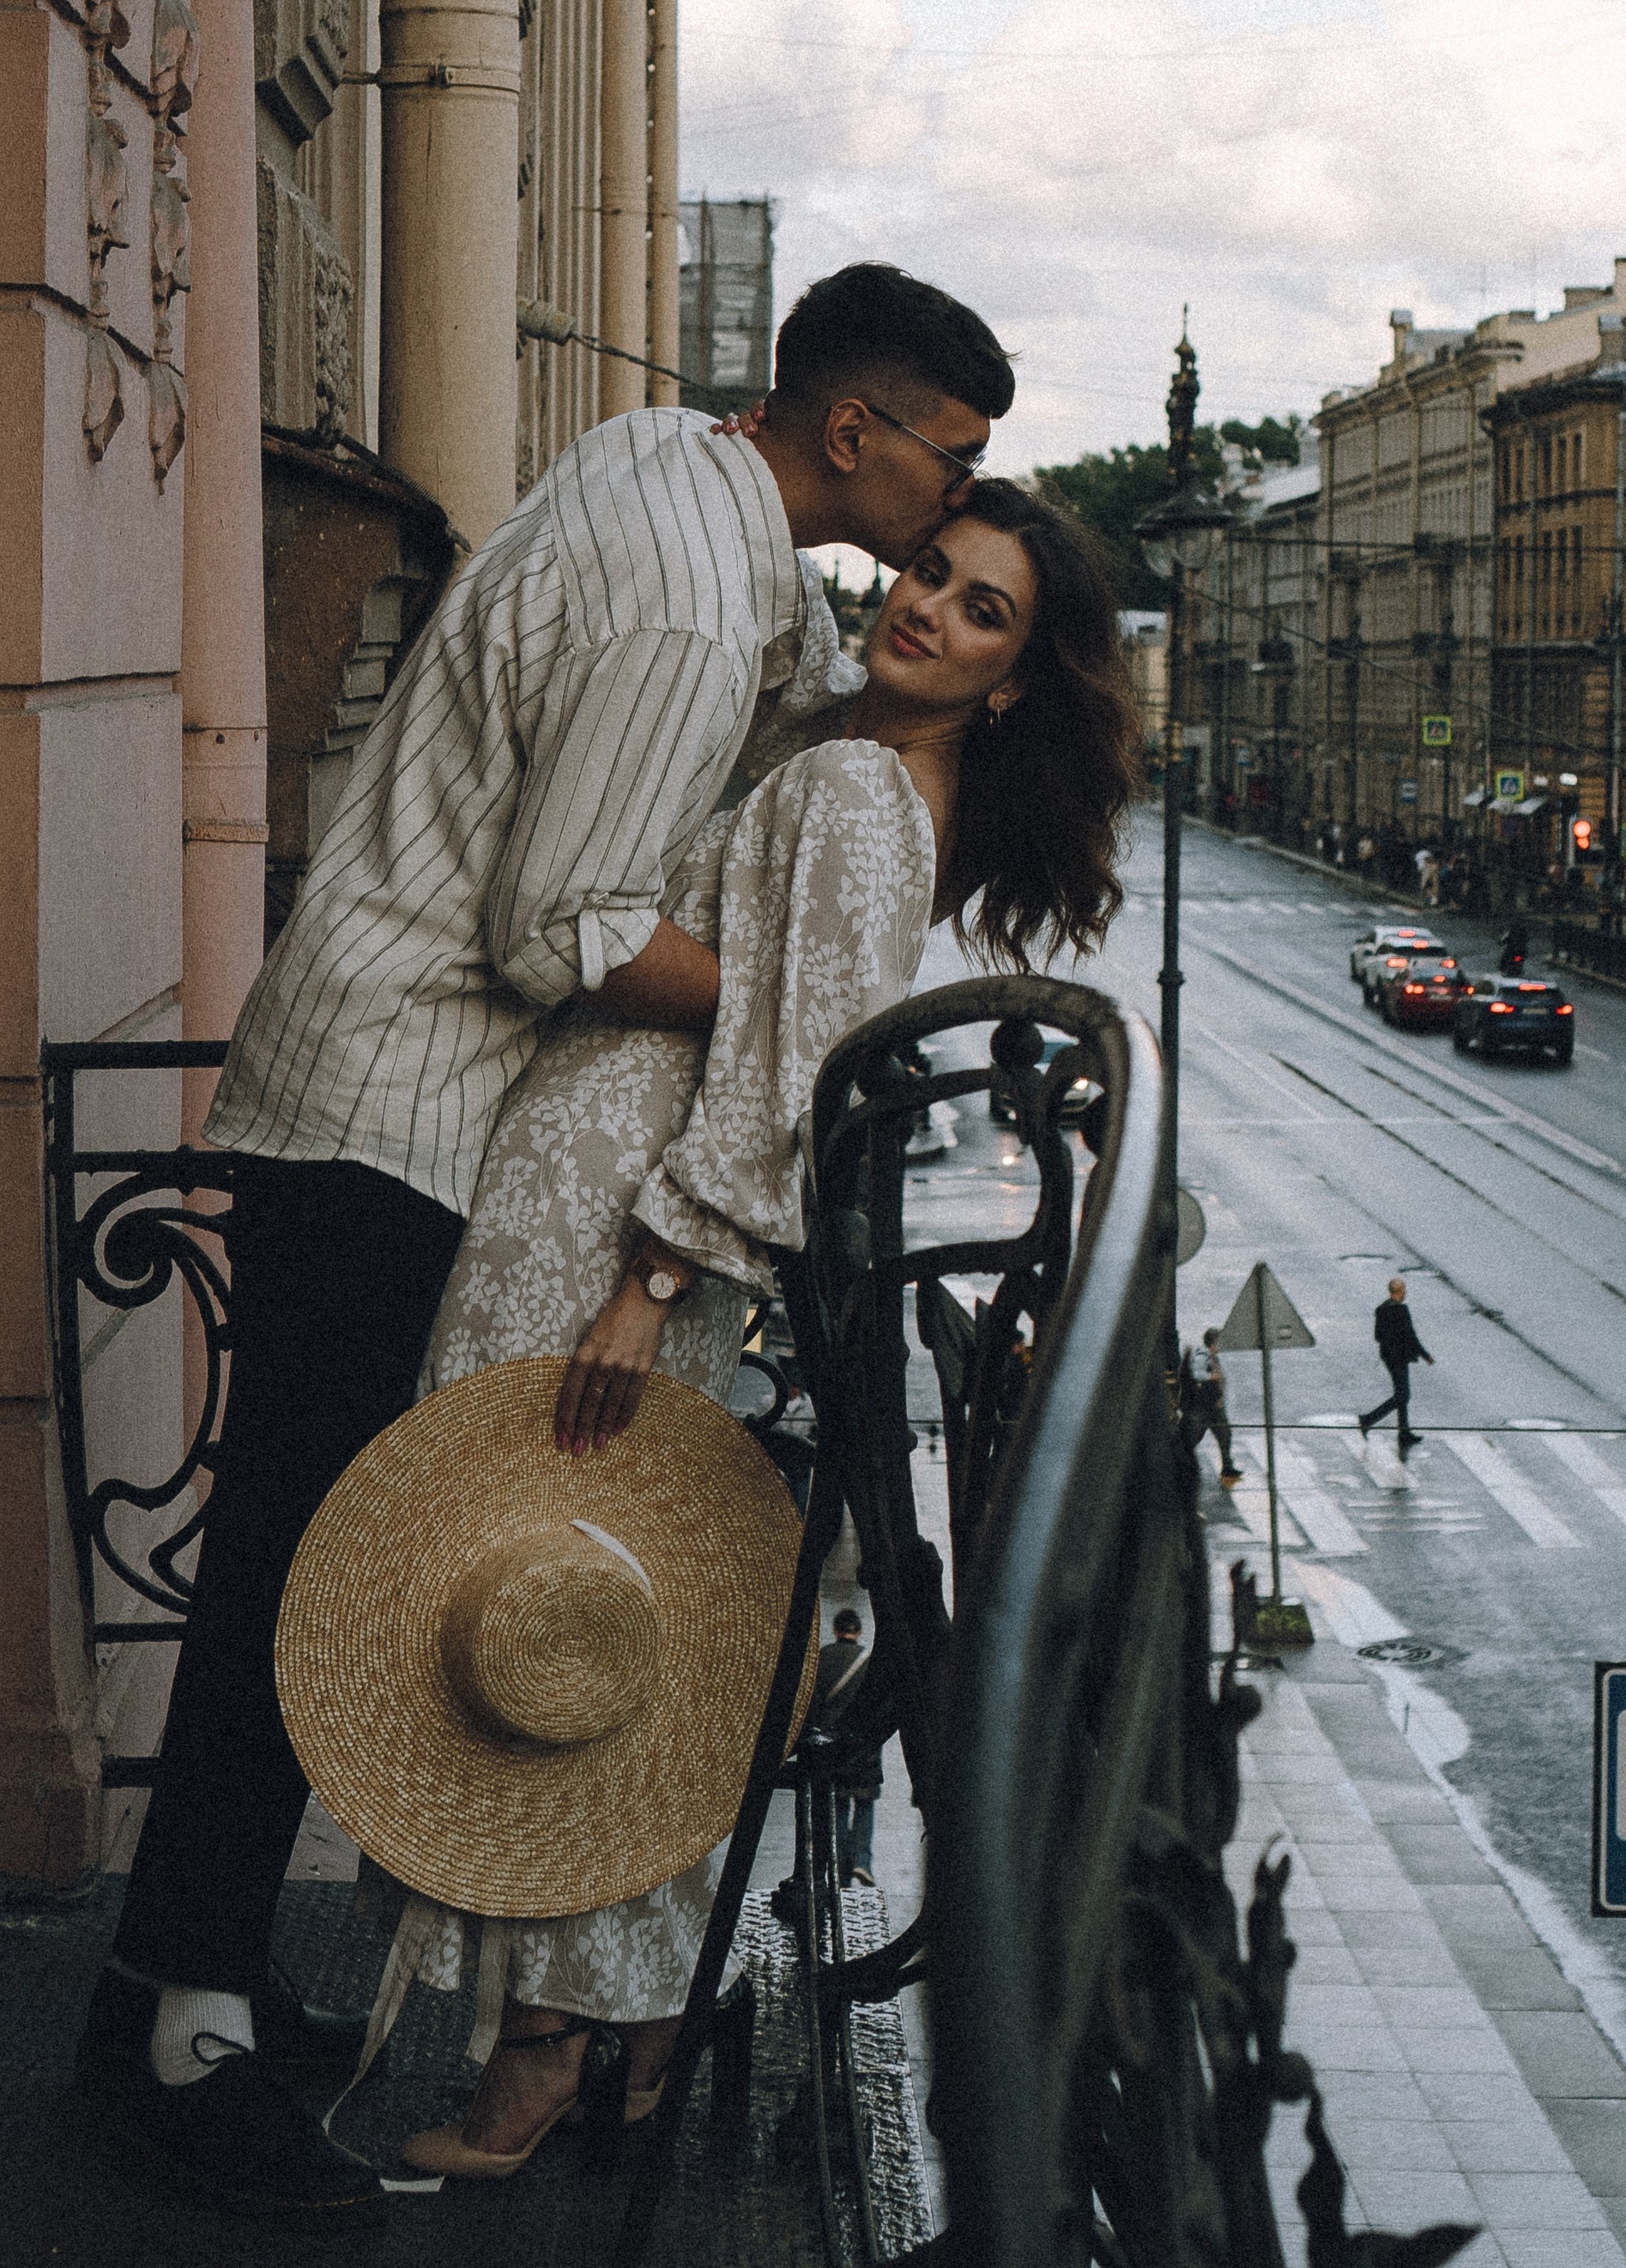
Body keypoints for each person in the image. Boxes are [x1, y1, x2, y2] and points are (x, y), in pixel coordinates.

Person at [76, 263, 1017, 2226]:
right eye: (949, 454)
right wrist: (803, 996)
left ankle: (186, 1985)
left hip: (364, 1088)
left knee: (295, 1553)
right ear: (854, 431)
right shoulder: (693, 593)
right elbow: (565, 931)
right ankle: (180, 2036)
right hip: (395, 1115)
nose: (955, 494)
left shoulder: (674, 470)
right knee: (300, 1574)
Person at [379, 480, 1141, 2176]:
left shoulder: (866, 795)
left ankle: (552, 2041)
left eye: (981, 609)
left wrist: (652, 1282)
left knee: (543, 1613)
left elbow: (801, 1068)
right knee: (558, 1602)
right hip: (597, 1195)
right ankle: (625, 2016)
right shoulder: (861, 759)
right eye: (929, 570)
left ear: (1013, 678)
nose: (926, 607)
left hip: (614, 1221)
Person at [815, 1610, 881, 1886]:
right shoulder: (870, 1660)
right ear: (859, 1631)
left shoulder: (823, 1658)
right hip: (865, 1744)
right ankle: (862, 1861)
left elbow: (813, 1702)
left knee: (839, 1805)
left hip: (834, 1744)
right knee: (865, 1803)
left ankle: (841, 1870)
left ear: (835, 1629)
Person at [1358, 1276, 1433, 1455]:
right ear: (1399, 1291)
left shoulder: (1381, 1309)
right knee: (1402, 1395)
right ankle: (1368, 1420)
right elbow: (1411, 1336)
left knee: (1401, 1394)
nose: (1405, 1293)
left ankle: (1403, 1432)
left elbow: (1378, 1336)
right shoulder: (1401, 1310)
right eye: (1404, 1290)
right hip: (1400, 1357)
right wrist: (1425, 1355)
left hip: (1388, 1357)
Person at [1194, 1328, 1242, 1488]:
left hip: (1215, 1406)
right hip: (1207, 1407)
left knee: (1225, 1435)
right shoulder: (1203, 1357)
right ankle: (1176, 1463)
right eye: (1218, 1342)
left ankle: (1227, 1467)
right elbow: (1197, 1374)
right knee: (1195, 1437)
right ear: (1213, 1342)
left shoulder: (1213, 1357)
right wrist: (1211, 1377)